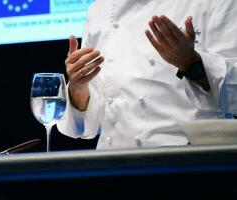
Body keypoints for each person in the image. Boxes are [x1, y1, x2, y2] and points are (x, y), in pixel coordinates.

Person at [57, 0, 237, 149]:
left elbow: (234, 94)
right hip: (111, 162)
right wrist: (78, 87)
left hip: (186, 161)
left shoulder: (219, 3)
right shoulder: (99, 9)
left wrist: (192, 64)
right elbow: (94, 118)